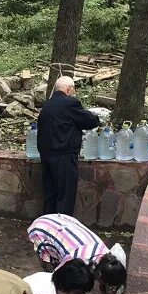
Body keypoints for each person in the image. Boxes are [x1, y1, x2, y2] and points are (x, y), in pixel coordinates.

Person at [27, 213, 127, 294]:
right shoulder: (76, 260)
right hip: (44, 229)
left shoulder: (110, 261)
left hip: (65, 226)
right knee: (57, 281)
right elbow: (59, 280)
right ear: (98, 274)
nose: (108, 290)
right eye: (105, 285)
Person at [37, 76, 100, 215]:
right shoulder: (70, 103)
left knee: (50, 194)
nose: (73, 92)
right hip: (63, 155)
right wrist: (96, 117)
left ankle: (47, 227)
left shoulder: (47, 105)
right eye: (73, 89)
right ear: (68, 89)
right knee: (65, 196)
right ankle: (62, 229)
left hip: (46, 154)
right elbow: (89, 121)